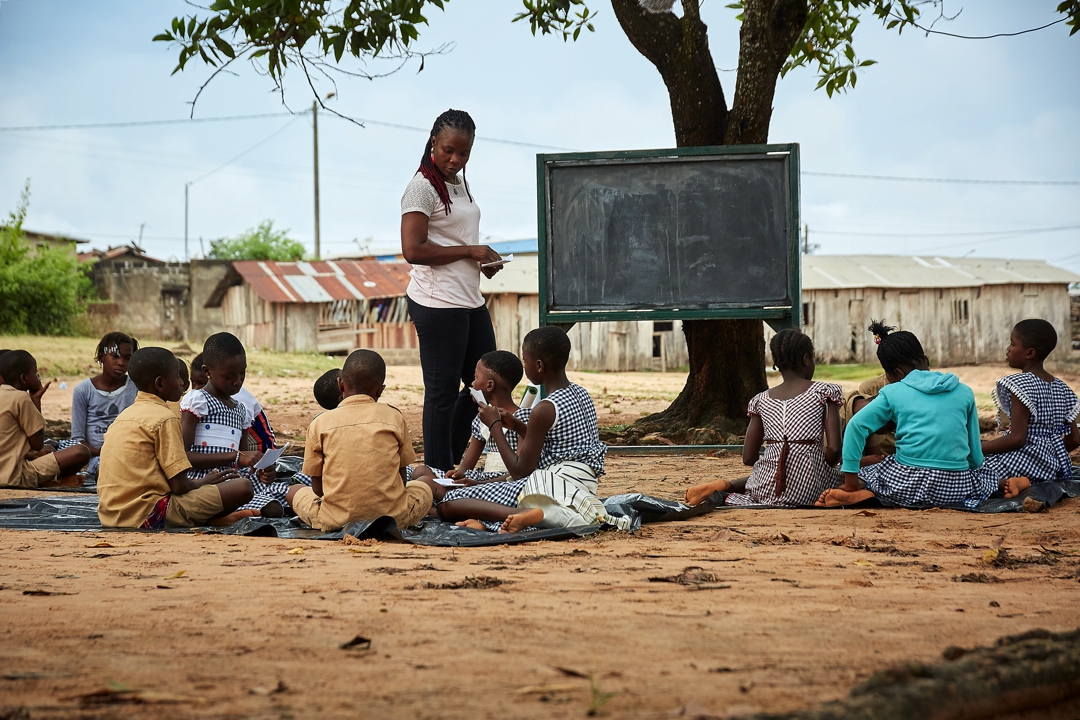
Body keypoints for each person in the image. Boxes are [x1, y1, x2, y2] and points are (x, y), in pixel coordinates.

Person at [436, 327, 632, 533]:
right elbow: (557, 443)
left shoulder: (544, 409)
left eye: (525, 360)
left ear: (539, 365)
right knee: (466, 497)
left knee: (450, 503)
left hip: (553, 485)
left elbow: (520, 472)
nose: (524, 366)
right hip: (585, 484)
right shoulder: (581, 393)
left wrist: (494, 425)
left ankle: (524, 515)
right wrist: (518, 426)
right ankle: (519, 516)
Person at [400, 108, 504, 471]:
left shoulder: (458, 183)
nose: (455, 160)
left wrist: (481, 260)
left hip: (469, 299)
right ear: (433, 144)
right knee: (441, 394)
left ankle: (450, 462)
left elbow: (456, 237)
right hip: (436, 302)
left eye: (464, 154)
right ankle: (437, 476)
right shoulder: (421, 187)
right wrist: (470, 251)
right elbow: (413, 250)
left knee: (486, 385)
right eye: (448, 150)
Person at [817, 321, 996, 508]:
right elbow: (975, 457)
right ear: (926, 360)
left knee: (870, 470)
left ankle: (861, 490)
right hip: (956, 490)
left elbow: (856, 426)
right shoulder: (964, 392)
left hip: (907, 485)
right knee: (989, 474)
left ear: (897, 373)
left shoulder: (893, 392)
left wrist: (851, 480)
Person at [97, 347, 254, 529]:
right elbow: (179, 486)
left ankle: (212, 519)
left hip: (110, 515)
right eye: (177, 377)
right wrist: (203, 482)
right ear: (160, 384)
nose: (182, 383)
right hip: (150, 513)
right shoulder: (165, 418)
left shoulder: (123, 417)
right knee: (243, 487)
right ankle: (211, 519)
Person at [285, 350, 440, 531]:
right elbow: (402, 481)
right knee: (427, 483)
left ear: (340, 385)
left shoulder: (319, 423)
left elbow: (318, 490)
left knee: (293, 491)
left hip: (334, 520)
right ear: (380, 390)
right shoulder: (395, 417)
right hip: (393, 519)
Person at [684, 328, 842, 507]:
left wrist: (778, 456)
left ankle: (727, 486)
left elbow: (749, 458)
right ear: (806, 359)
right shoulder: (825, 392)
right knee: (855, 475)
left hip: (764, 490)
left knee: (769, 467)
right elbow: (835, 450)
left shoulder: (760, 400)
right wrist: (817, 462)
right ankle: (729, 485)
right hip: (809, 491)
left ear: (776, 363)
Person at [976, 319, 1079, 494]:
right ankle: (1023, 482)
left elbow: (1017, 438)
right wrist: (1051, 455)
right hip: (1050, 468)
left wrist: (976, 450)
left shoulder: (1020, 385)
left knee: (967, 471)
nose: (1008, 349)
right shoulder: (1064, 388)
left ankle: (1008, 483)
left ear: (1030, 353)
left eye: (1012, 344)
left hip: (1020, 461)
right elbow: (1075, 439)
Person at [179, 333, 268, 505]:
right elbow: (182, 456)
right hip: (202, 481)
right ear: (207, 372)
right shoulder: (198, 401)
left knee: (275, 505)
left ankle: (232, 515)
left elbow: (243, 460)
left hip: (232, 480)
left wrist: (261, 470)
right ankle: (227, 516)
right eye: (229, 376)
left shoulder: (241, 410)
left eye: (242, 373)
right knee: (243, 490)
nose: (238, 381)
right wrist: (235, 457)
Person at [0, 350, 91, 488]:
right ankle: (52, 482)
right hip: (13, 477)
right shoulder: (20, 398)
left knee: (49, 448)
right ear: (24, 378)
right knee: (81, 452)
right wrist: (35, 400)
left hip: (6, 467)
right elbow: (37, 444)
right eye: (35, 373)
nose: (38, 377)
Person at [63, 332, 139, 479]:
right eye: (115, 356)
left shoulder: (136, 388)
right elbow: (78, 438)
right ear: (101, 356)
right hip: (97, 456)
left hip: (129, 453)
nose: (121, 362)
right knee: (108, 470)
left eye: (127, 358)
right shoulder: (83, 390)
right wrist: (103, 451)